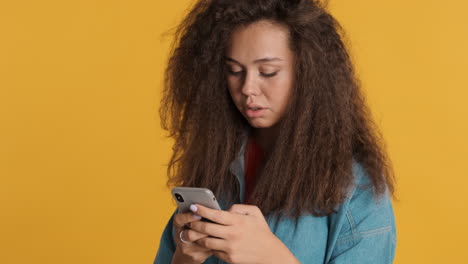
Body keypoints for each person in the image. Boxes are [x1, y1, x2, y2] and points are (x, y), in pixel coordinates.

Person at [154, 0, 397, 263]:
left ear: (308, 73)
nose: (248, 87)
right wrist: (184, 258)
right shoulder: (215, 163)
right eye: (234, 71)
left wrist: (272, 257)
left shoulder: (356, 187)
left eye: (268, 72)